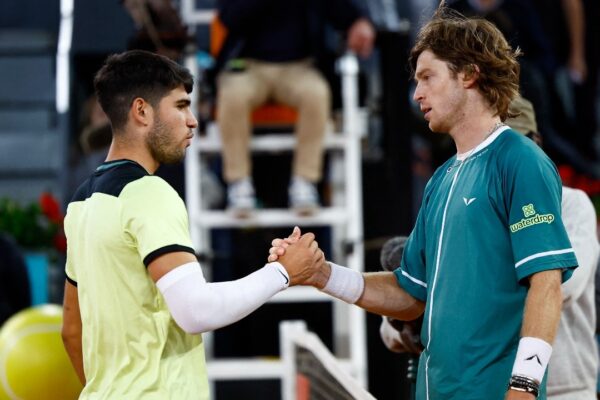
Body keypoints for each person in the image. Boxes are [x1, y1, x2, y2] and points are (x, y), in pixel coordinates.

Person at [269, 7, 578, 399]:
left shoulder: (520, 160)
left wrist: (524, 387)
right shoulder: (441, 179)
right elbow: (410, 295)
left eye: (428, 78)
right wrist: (322, 275)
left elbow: (547, 284)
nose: (417, 93)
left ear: (469, 74)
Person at [60, 50, 324, 399]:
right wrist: (282, 273)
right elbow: (195, 311)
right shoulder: (148, 193)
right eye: (181, 106)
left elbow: (71, 330)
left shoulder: (80, 203)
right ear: (142, 111)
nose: (193, 120)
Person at [380, 96, 600, 400]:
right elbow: (393, 327)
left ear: (536, 143)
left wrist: (455, 292)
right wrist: (411, 323)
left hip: (565, 388)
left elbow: (562, 283)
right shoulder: (454, 197)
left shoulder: (572, 204)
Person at [215, 0, 375, 216]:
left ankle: (305, 182)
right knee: (232, 95)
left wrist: (359, 21)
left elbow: (340, 9)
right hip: (247, 64)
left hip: (299, 66)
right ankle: (238, 184)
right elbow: (229, 18)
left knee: (316, 94)